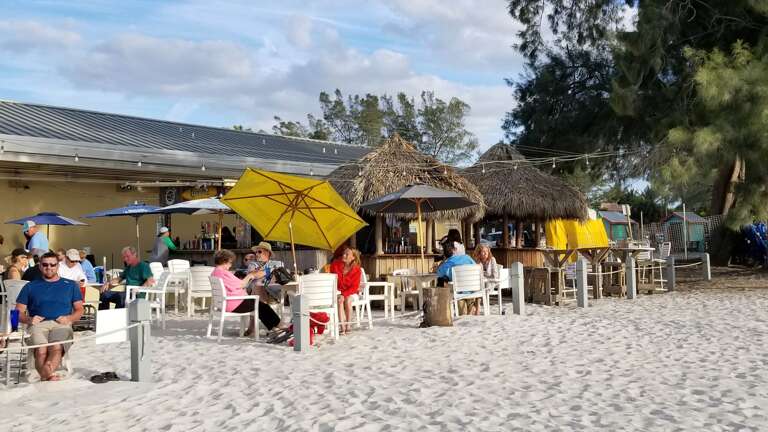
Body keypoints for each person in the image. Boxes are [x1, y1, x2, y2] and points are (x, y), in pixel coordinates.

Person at [15, 251, 83, 381]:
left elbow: (80, 309)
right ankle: (48, 374)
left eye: (53, 264)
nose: (49, 267)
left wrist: (69, 319)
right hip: (38, 324)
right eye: (45, 264)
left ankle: (45, 373)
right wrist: (29, 319)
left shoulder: (70, 285)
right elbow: (16, 313)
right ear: (40, 266)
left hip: (61, 323)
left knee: (56, 347)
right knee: (41, 350)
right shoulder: (30, 286)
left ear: (58, 266)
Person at [211, 249, 289, 336]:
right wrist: (249, 276)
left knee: (260, 306)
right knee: (262, 306)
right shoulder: (224, 273)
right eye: (230, 262)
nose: (231, 265)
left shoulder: (215, 272)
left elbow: (235, 285)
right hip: (234, 304)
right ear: (224, 261)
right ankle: (280, 325)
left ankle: (275, 328)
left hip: (226, 303)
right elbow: (241, 285)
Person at [329, 247, 362, 335]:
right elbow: (331, 279)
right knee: (340, 300)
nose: (344, 255)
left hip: (352, 292)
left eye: (347, 254)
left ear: (353, 257)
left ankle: (348, 326)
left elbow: (354, 287)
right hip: (339, 291)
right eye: (344, 253)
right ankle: (342, 327)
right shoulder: (335, 264)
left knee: (348, 300)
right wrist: (340, 294)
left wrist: (344, 294)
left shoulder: (357, 269)